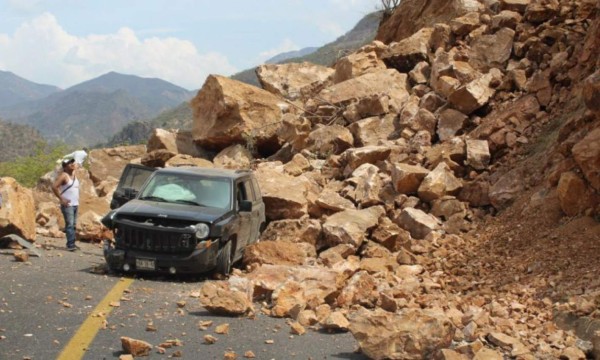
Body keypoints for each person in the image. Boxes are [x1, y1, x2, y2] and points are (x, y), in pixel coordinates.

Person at [52, 158, 80, 251]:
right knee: (70, 224)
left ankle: (72, 243)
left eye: (72, 162)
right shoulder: (64, 176)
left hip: (75, 204)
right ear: (65, 167)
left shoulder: (74, 175)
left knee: (74, 225)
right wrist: (61, 199)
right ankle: (70, 245)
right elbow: (54, 187)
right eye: (69, 163)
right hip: (68, 205)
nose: (72, 164)